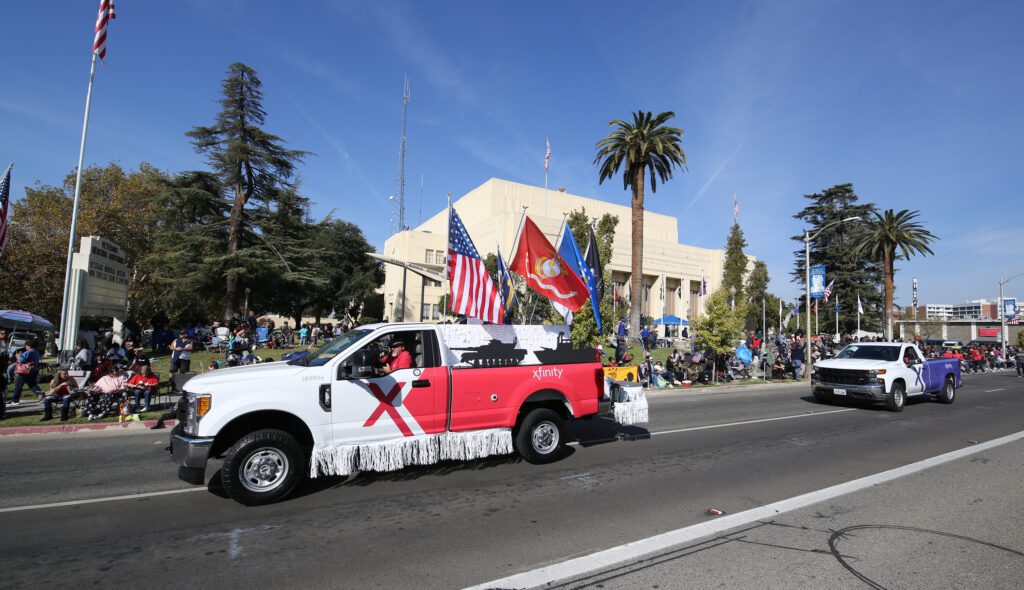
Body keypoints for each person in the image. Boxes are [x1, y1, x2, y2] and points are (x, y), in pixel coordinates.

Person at [11, 339, 43, 405]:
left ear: (29, 346)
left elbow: (20, 361)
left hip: (25, 371)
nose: (25, 347)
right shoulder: (37, 352)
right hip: (34, 370)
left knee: (18, 385)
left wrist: (18, 356)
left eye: (26, 345)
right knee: (32, 384)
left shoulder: (28, 352)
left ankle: (15, 400)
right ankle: (41, 394)